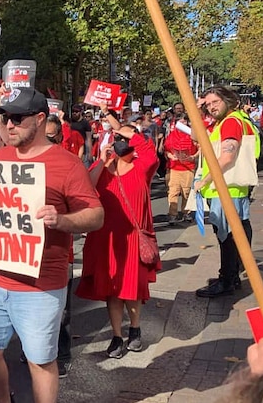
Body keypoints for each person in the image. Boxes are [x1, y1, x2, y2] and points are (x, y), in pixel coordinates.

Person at [0, 88, 104, 403]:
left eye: (17, 118)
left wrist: (62, 220)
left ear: (40, 119)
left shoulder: (67, 164)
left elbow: (96, 215)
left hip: (41, 285)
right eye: (4, 117)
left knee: (40, 361)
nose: (8, 125)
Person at [76, 106, 160, 358]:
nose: (120, 141)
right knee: (112, 290)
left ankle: (134, 330)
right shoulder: (105, 167)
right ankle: (117, 337)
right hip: (106, 238)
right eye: (117, 138)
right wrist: (102, 161)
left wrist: (122, 127)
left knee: (131, 289)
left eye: (125, 138)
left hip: (132, 238)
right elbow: (86, 188)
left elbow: (150, 152)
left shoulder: (142, 166)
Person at [194, 86, 259, 297]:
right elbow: (197, 136)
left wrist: (203, 181)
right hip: (232, 188)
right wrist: (196, 109)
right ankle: (231, 276)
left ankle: (227, 280)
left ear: (228, 100)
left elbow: (227, 156)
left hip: (226, 188)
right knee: (235, 232)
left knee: (227, 236)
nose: (211, 107)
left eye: (215, 102)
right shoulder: (229, 120)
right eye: (208, 103)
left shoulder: (230, 122)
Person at [164, 113, 199, 224]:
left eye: (184, 121)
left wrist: (193, 157)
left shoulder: (192, 134)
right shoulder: (172, 135)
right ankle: (172, 214)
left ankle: (186, 213)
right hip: (175, 168)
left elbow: (201, 148)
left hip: (188, 168)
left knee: (187, 192)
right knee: (173, 192)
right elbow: (166, 150)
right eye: (180, 121)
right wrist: (171, 156)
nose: (182, 123)